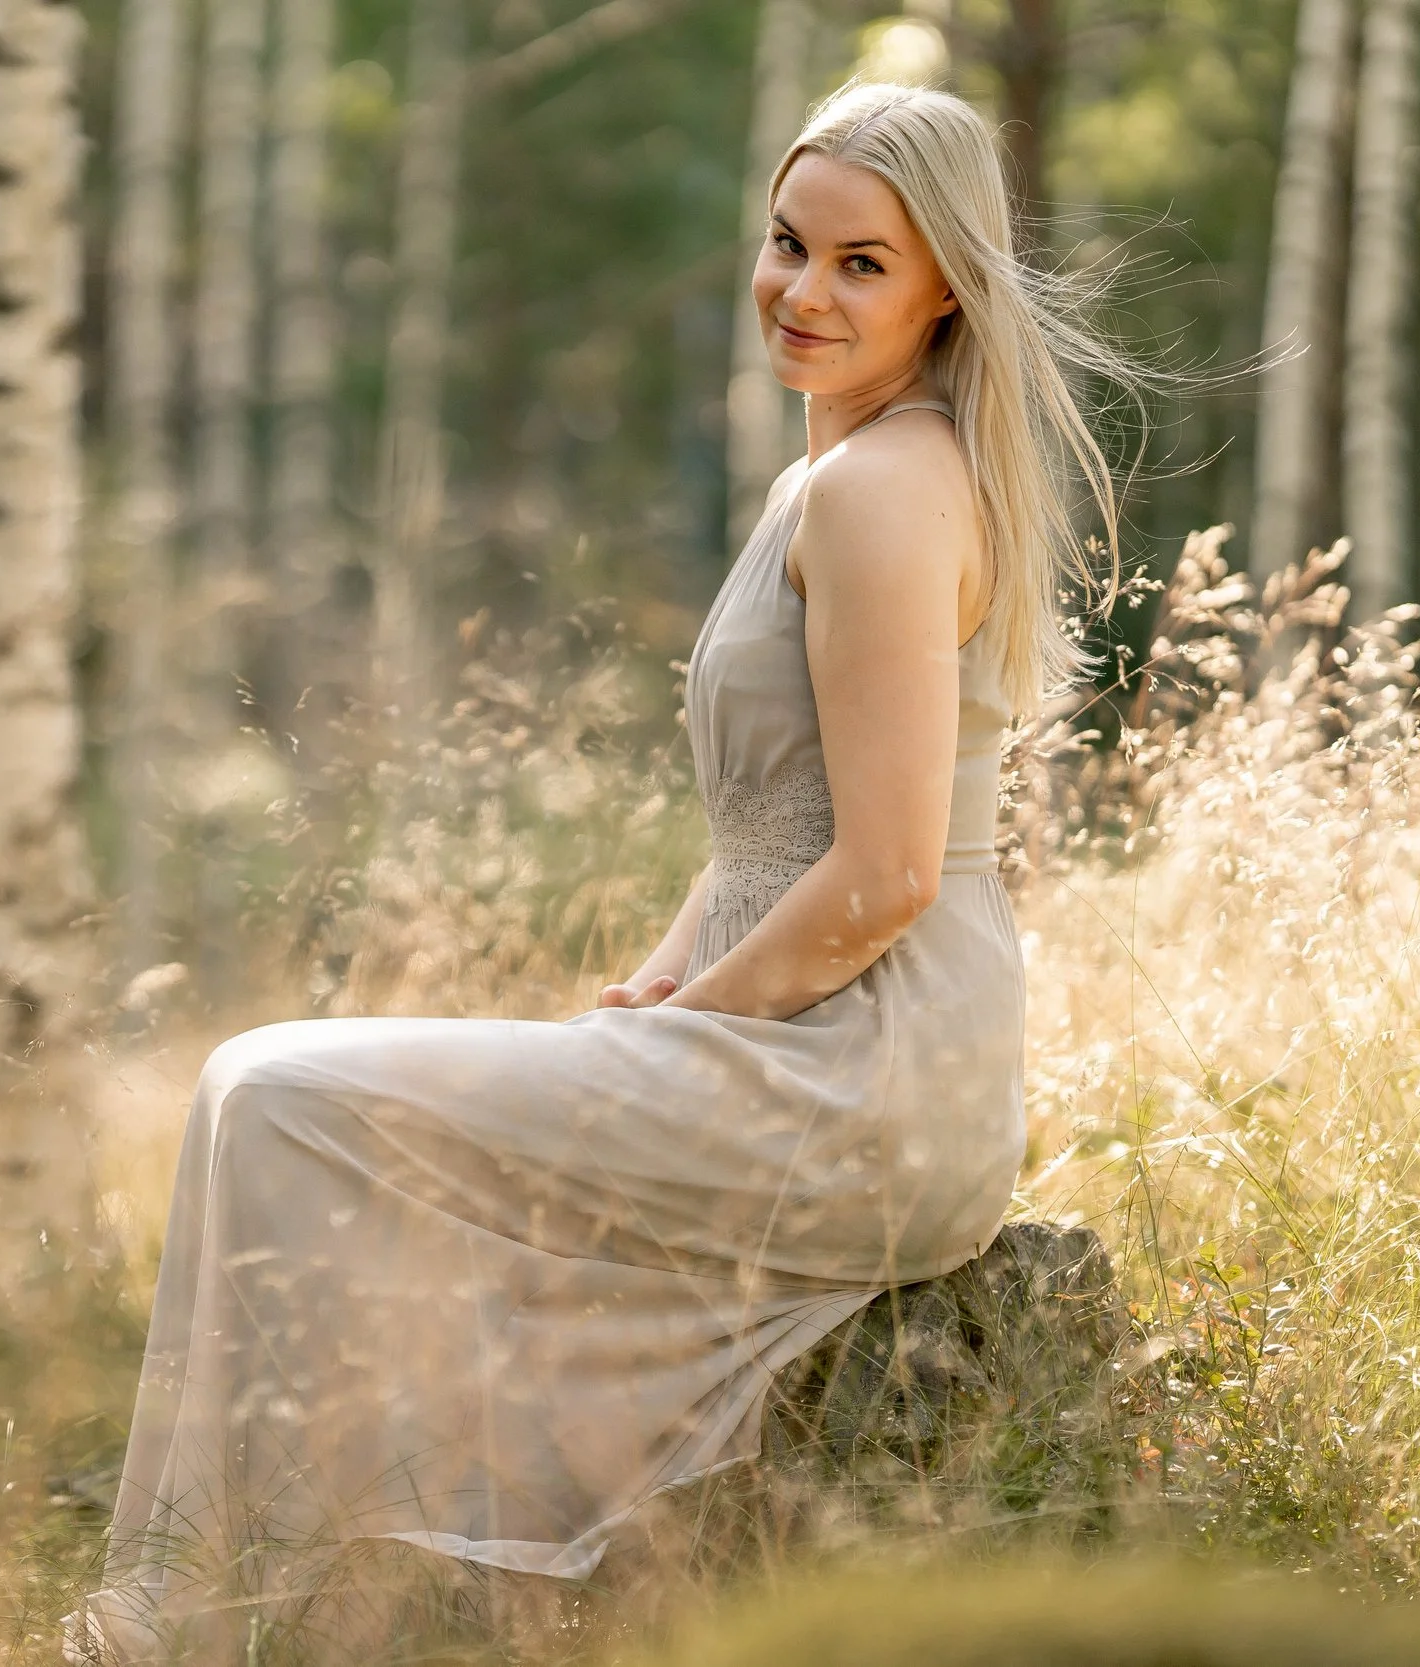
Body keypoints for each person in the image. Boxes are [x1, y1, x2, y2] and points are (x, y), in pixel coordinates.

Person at [68, 79, 1137, 1663]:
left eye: (862, 264)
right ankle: (261, 1596)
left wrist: (686, 1021)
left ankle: (220, 1613)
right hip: (837, 1035)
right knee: (256, 1095)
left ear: (946, 291)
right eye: (789, 244)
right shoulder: (838, 478)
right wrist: (657, 976)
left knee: (275, 1090)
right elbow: (775, 824)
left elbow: (894, 868)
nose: (801, 289)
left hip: (874, 1073)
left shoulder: (881, 494)